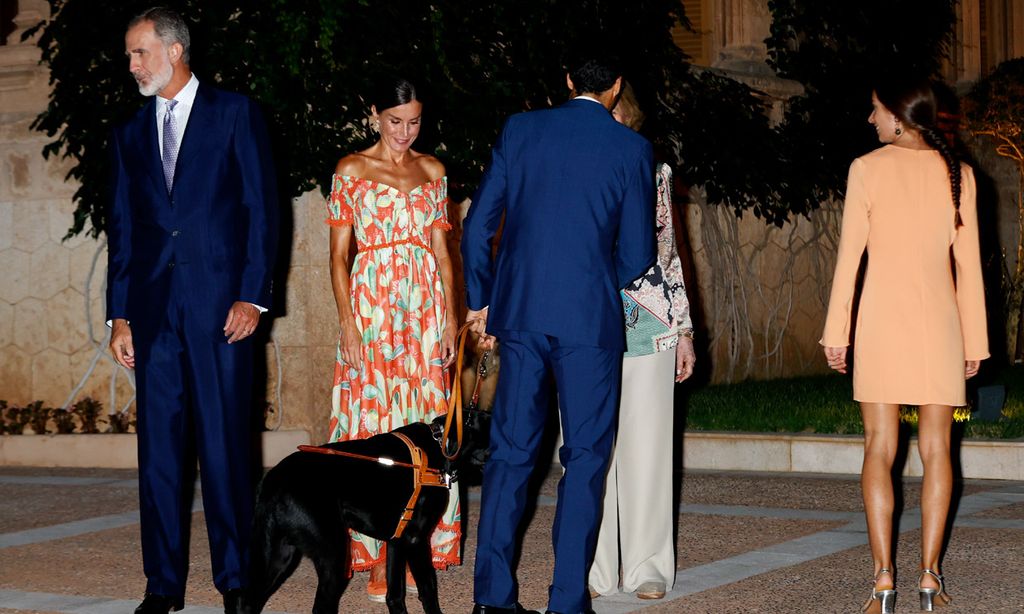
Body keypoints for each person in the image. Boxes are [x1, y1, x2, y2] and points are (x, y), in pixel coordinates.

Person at [462, 49, 656, 614]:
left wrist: (483, 301)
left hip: (519, 314)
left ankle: (491, 600)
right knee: (587, 458)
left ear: (567, 79)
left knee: (510, 456)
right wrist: (595, 282)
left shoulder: (521, 130)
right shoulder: (632, 148)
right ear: (616, 88)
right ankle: (568, 601)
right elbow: (638, 254)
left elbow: (479, 227)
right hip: (588, 322)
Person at [107, 7, 278, 614]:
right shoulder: (129, 134)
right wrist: (120, 315)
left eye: (139, 53)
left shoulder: (236, 114)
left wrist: (253, 296)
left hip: (223, 314)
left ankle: (235, 580)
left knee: (228, 448)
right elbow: (123, 233)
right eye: (130, 55)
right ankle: (162, 587)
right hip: (154, 320)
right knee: (158, 455)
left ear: (174, 50)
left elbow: (261, 211)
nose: (131, 65)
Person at [821, 78, 988, 614]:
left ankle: (883, 581)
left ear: (896, 115)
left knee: (879, 448)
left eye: (875, 111)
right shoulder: (958, 173)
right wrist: (976, 339)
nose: (871, 120)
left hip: (881, 324)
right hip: (941, 325)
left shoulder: (867, 168)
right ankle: (929, 579)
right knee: (939, 448)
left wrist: (836, 333)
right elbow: (970, 268)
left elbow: (849, 261)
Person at [325, 77, 460, 603]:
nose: (405, 132)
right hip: (372, 310)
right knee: (375, 425)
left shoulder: (434, 172)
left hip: (424, 310)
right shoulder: (351, 170)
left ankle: (415, 546)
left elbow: (444, 253)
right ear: (374, 114)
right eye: (395, 121)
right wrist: (348, 324)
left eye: (415, 121)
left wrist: (449, 319)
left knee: (426, 424)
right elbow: (338, 256)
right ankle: (381, 554)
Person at [588, 81, 695, 602]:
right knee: (589, 448)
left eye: (617, 114)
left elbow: (669, 255)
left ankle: (649, 565)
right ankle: (595, 566)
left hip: (648, 318)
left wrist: (685, 331)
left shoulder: (653, 172)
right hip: (584, 320)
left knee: (649, 445)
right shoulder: (571, 168)